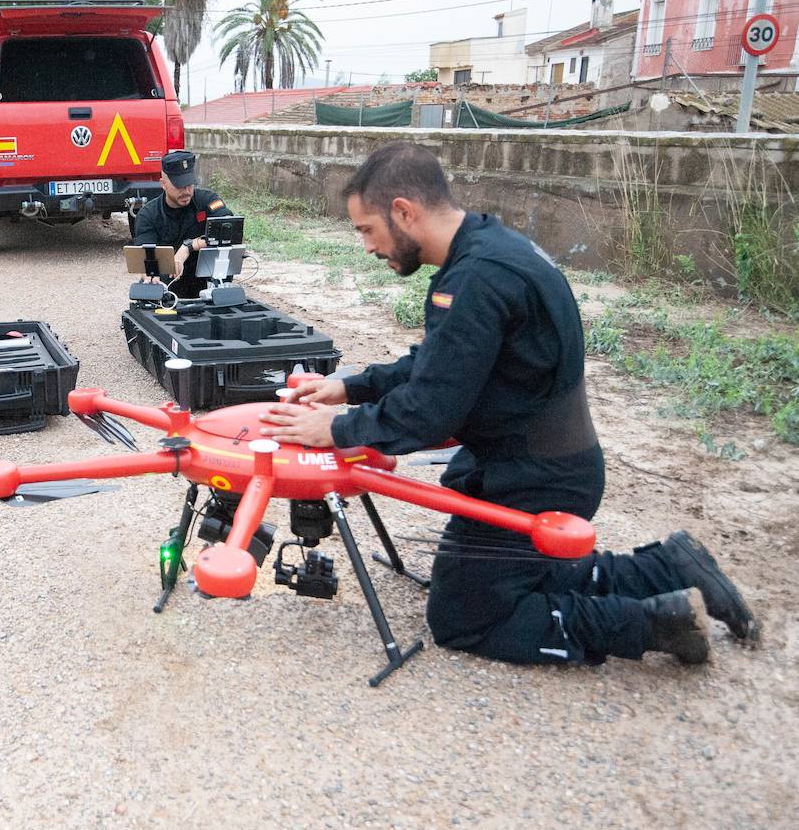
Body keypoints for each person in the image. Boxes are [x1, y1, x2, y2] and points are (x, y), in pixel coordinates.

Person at [259, 143, 759, 667]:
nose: (366, 246)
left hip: (534, 478)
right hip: (538, 461)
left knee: (465, 619)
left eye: (367, 229)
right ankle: (668, 568)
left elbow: (430, 411)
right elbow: (447, 360)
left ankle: (656, 623)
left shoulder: (477, 278)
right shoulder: (490, 248)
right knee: (509, 576)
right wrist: (352, 388)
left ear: (403, 211)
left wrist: (336, 429)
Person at [132, 150, 232, 299]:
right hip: (168, 287)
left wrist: (189, 247)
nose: (186, 191)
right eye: (179, 186)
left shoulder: (207, 201)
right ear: (163, 184)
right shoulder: (148, 215)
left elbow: (229, 228)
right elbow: (145, 255)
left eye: (189, 184)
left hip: (208, 284)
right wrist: (149, 273)